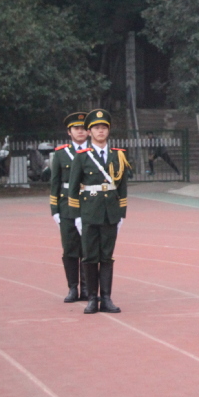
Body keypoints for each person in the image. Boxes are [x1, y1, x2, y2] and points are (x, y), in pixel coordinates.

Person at [66, 109, 129, 315]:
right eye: (96, 128)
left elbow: (122, 187)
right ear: (89, 132)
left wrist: (121, 214)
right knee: (90, 257)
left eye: (104, 128)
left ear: (108, 131)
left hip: (110, 213)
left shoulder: (118, 155)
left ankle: (107, 298)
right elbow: (73, 189)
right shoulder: (82, 157)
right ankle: (92, 298)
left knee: (107, 257)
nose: (100, 131)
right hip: (89, 213)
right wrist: (76, 216)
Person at [49, 112, 89, 302]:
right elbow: (55, 183)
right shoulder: (61, 153)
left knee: (88, 248)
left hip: (89, 204)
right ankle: (73, 287)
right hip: (66, 207)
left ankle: (87, 287)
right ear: (69, 132)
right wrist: (54, 210)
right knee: (70, 248)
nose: (80, 131)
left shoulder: (95, 151)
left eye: (83, 128)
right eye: (76, 128)